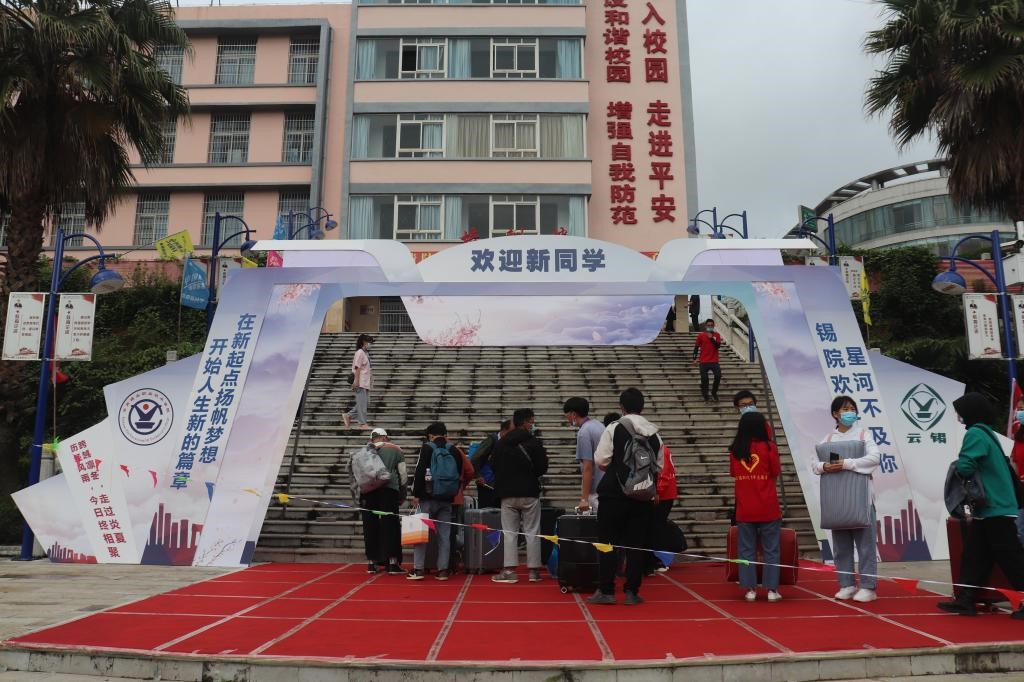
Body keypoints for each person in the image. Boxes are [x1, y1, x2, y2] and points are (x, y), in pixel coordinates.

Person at [938, 392, 1024, 619]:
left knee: (1010, 557)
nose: (958, 416)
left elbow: (966, 466)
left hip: (994, 506)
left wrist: (957, 467)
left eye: (960, 411)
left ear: (970, 412)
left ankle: (969, 599)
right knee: (975, 555)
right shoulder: (987, 432)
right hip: (992, 507)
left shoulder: (975, 433)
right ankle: (966, 599)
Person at [589, 388, 661, 606]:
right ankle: (632, 591)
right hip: (642, 495)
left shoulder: (614, 427)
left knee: (607, 542)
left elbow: (601, 460)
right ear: (642, 407)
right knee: (636, 545)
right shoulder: (654, 433)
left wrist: (619, 468)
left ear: (621, 407)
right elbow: (658, 466)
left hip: (614, 494)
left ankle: (606, 590)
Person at [812, 395, 880, 603]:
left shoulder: (863, 434)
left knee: (866, 546)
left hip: (861, 499)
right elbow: (815, 464)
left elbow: (875, 458)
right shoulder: (827, 439)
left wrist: (847, 463)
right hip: (837, 500)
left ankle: (868, 587)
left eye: (852, 408)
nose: (850, 412)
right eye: (845, 409)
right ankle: (847, 584)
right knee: (841, 547)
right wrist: (825, 466)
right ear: (835, 414)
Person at [490, 408, 549, 583]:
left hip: (507, 493)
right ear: (524, 423)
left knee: (509, 532)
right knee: (533, 531)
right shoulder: (534, 442)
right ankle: (534, 571)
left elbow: (493, 465)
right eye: (531, 421)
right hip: (529, 491)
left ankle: (509, 571)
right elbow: (542, 467)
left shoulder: (502, 442)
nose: (533, 424)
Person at [729, 412, 782, 602]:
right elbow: (775, 472)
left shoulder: (736, 450)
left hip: (745, 507)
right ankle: (772, 590)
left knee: (746, 550)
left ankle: (750, 589)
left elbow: (734, 473)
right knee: (771, 549)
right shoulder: (769, 447)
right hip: (768, 506)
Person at [408, 421, 463, 581]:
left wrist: (416, 494)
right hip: (446, 499)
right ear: (445, 434)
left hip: (427, 497)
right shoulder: (454, 450)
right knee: (444, 536)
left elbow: (420, 471)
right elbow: (459, 473)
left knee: (420, 534)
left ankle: (419, 569)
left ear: (430, 435)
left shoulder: (427, 448)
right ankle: (443, 570)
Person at [358, 428, 407, 575]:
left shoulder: (363, 452)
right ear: (385, 437)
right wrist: (402, 493)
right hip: (389, 490)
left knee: (370, 525)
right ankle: (392, 562)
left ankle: (372, 562)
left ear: (371, 439)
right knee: (390, 524)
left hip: (368, 491)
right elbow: (402, 474)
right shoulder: (395, 449)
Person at [564, 397, 605, 513]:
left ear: (573, 414)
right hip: (605, 486)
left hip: (596, 490)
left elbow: (587, 467)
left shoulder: (584, 432)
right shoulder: (598, 425)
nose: (567, 419)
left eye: (567, 415)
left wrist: (584, 499)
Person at [647, 440, 678, 575]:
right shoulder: (663, 449)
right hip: (666, 493)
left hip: (663, 495)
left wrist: (658, 491)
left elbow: (663, 473)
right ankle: (660, 559)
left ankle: (661, 560)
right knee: (657, 527)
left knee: (657, 527)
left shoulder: (661, 451)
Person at [470, 420, 512, 509]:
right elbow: (475, 458)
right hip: (486, 485)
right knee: (487, 511)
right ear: (504, 430)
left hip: (500, 486)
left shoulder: (509, 443)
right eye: (511, 432)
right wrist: (478, 476)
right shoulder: (491, 440)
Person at [343, 334, 374, 430]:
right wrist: (356, 382)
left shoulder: (365, 353)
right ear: (364, 342)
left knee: (364, 403)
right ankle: (362, 423)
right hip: (360, 382)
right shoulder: (360, 353)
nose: (370, 344)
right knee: (362, 404)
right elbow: (357, 368)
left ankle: (348, 415)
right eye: (369, 342)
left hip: (365, 382)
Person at [692, 319, 723, 403]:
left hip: (714, 361)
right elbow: (696, 347)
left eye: (711, 325)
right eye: (708, 325)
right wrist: (694, 359)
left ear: (714, 326)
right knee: (705, 379)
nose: (710, 327)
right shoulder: (701, 335)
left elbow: (718, 346)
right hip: (703, 361)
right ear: (705, 326)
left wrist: (711, 338)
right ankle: (705, 395)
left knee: (718, 376)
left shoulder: (717, 335)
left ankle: (714, 392)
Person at [1011, 395, 1024, 482]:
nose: (1020, 413)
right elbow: (1015, 465)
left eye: (1022, 409)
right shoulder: (1019, 437)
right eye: (1019, 410)